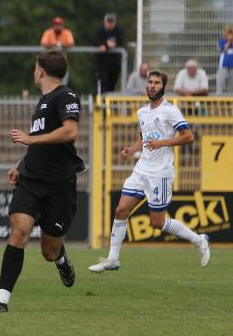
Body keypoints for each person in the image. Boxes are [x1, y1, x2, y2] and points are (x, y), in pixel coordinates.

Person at [0, 50, 83, 313]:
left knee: (49, 252)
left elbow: (70, 132)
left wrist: (30, 139)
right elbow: (41, 142)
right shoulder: (41, 102)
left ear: (40, 71)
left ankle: (61, 259)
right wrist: (21, 163)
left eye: (34, 68)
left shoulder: (66, 96)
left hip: (60, 184)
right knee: (18, 231)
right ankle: (2, 301)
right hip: (31, 180)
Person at [89, 70, 209, 273]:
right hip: (141, 169)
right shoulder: (142, 112)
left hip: (160, 173)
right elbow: (143, 139)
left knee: (157, 222)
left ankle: (199, 240)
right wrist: (131, 149)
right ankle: (112, 259)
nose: (152, 86)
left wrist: (162, 142)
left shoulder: (170, 111)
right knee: (120, 210)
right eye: (150, 82)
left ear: (164, 87)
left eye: (156, 83)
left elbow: (188, 137)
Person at [93, 13, 124, 92]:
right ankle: (102, 101)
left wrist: (113, 44)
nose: (110, 24)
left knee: (112, 84)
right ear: (104, 22)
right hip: (102, 63)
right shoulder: (100, 31)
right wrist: (106, 45)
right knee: (103, 82)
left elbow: (120, 42)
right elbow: (96, 42)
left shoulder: (118, 31)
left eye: (112, 22)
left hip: (114, 64)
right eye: (108, 22)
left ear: (114, 23)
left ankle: (109, 102)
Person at [216, 25, 233, 94]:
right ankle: (219, 95)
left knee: (232, 82)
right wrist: (229, 41)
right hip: (223, 64)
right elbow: (223, 50)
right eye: (226, 32)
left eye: (230, 33)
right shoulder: (221, 41)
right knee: (221, 81)